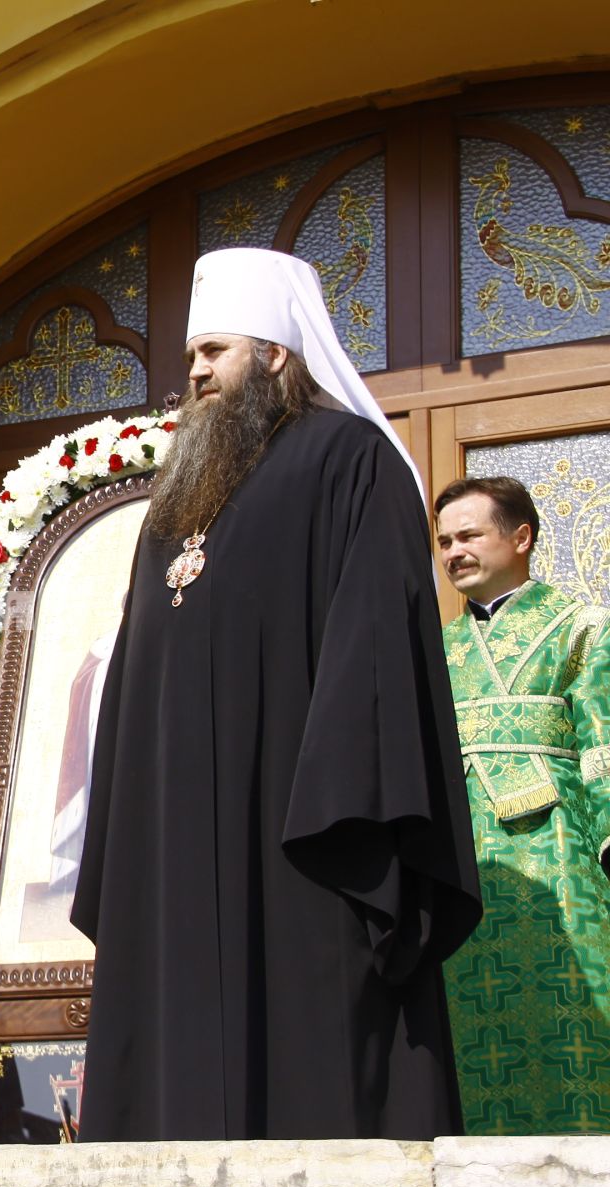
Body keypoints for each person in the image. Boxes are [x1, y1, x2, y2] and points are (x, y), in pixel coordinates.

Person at [71, 247, 482, 1141]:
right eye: (190, 358)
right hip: (176, 837)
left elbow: (375, 643)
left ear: (278, 355)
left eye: (215, 350)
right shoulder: (181, 496)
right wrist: (129, 820)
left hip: (298, 829)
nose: (196, 372)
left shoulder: (352, 460)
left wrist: (342, 805)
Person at [435, 473, 610, 1134]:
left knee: (574, 1015)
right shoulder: (433, 651)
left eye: (469, 535)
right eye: (445, 541)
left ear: (521, 536)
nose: (454, 552)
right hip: (458, 864)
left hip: (561, 860)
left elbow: (604, 744)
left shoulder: (581, 628)